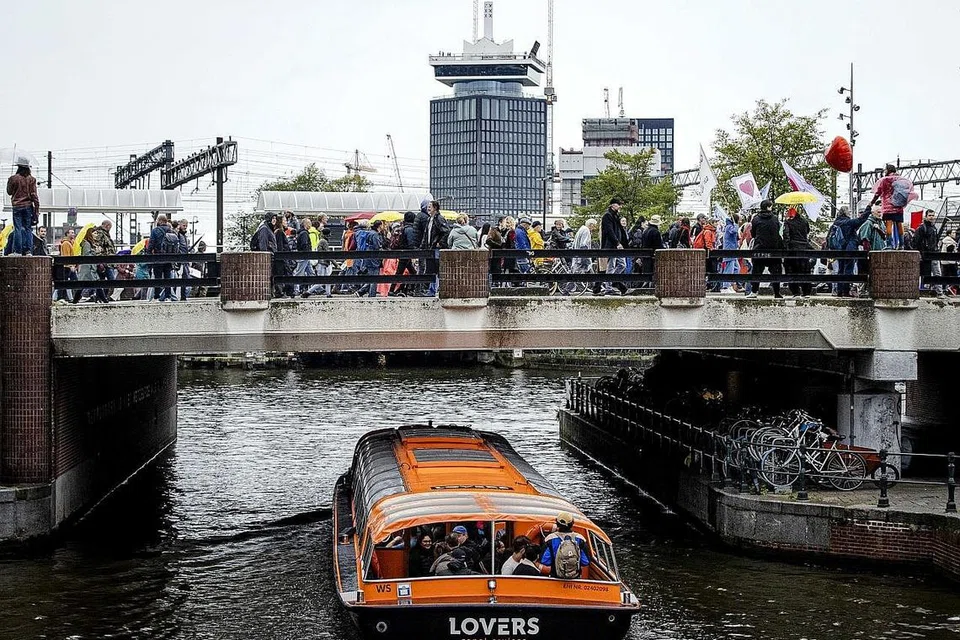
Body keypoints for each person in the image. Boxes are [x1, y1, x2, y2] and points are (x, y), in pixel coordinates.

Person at [746, 199, 784, 299]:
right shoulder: (775, 218)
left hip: (760, 248)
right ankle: (776, 292)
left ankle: (754, 291)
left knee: (757, 271)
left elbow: (753, 234)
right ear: (768, 207)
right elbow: (777, 233)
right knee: (776, 271)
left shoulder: (756, 219)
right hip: (773, 249)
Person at [539, 512, 589, 579]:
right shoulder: (580, 539)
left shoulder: (550, 539)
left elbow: (545, 561)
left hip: (555, 578)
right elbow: (585, 561)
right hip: (575, 579)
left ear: (557, 524)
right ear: (572, 523)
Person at [6, 161, 40, 256]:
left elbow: (9, 192)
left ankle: (18, 251)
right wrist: (37, 209)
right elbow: (34, 195)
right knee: (28, 228)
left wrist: (10, 182)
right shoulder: (32, 179)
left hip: (17, 206)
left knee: (18, 228)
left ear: (18, 167)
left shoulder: (13, 178)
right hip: (28, 206)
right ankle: (28, 251)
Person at [869, 164, 906, 248]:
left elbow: (878, 193)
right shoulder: (900, 180)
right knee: (899, 224)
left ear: (888, 170)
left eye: (885, 170)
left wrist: (872, 202)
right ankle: (902, 244)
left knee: (889, 224)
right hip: (898, 206)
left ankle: (889, 245)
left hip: (888, 207)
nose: (884, 171)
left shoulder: (884, 181)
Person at [597, 198, 628, 296]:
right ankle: (608, 287)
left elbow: (618, 231)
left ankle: (612, 280)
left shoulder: (615, 216)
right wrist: (617, 243)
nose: (620, 207)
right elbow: (610, 231)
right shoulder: (607, 216)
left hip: (615, 245)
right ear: (612, 205)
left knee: (622, 264)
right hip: (611, 246)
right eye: (618, 204)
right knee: (611, 266)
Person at [913, 209, 944, 297]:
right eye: (930, 215)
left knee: (935, 273)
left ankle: (938, 292)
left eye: (933, 215)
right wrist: (919, 253)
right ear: (926, 217)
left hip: (932, 254)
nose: (931, 217)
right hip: (926, 254)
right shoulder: (923, 228)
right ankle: (935, 292)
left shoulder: (933, 228)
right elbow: (916, 242)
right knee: (925, 274)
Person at [420, 200, 448, 296]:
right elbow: (426, 234)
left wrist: (440, 243)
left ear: (435, 208)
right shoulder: (430, 219)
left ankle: (435, 290)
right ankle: (432, 290)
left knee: (436, 268)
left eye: (430, 207)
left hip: (435, 247)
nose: (428, 209)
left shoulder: (439, 219)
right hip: (431, 247)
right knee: (432, 268)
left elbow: (445, 231)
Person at [783, 207, 812, 297]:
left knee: (792, 271)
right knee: (805, 271)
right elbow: (807, 232)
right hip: (804, 248)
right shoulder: (804, 221)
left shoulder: (788, 222)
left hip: (793, 249)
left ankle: (796, 292)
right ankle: (806, 291)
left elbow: (786, 236)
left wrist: (786, 247)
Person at [149, 214, 179, 301]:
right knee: (168, 278)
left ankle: (156, 296)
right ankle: (167, 296)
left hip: (158, 258)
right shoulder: (172, 231)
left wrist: (149, 257)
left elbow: (151, 244)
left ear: (160, 221)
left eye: (158, 220)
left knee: (157, 278)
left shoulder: (155, 231)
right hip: (169, 258)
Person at [638, 214, 663, 286]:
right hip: (652, 256)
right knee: (653, 274)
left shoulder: (645, 231)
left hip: (645, 255)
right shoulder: (656, 232)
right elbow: (658, 246)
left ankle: (644, 288)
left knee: (646, 274)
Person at [720, 213, 741, 293]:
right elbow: (734, 231)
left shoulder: (730, 226)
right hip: (729, 250)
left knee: (736, 268)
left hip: (733, 250)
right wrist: (736, 225)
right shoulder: (729, 226)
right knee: (729, 268)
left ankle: (730, 283)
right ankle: (725, 286)